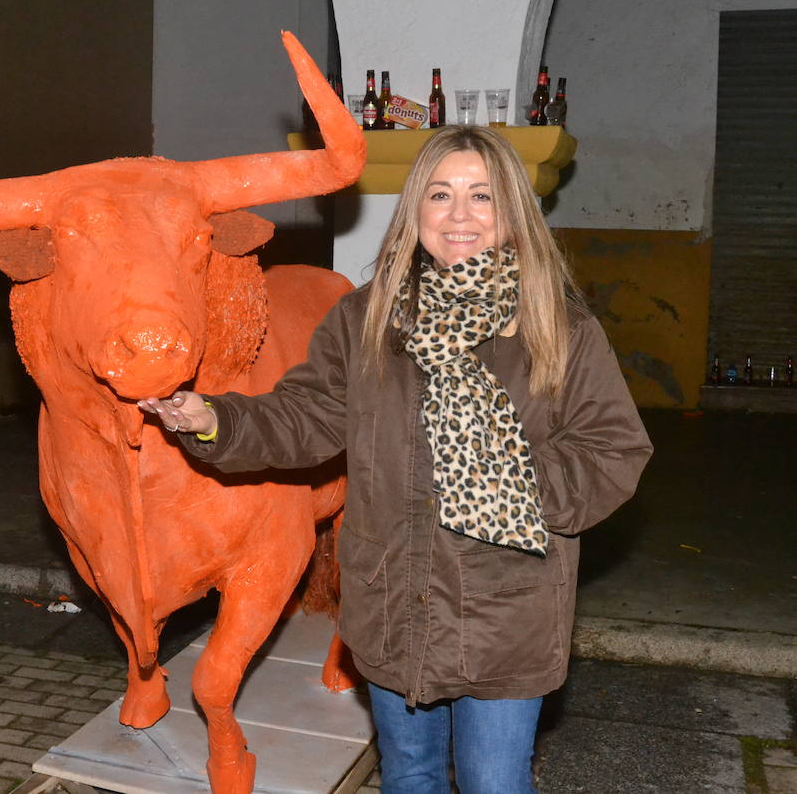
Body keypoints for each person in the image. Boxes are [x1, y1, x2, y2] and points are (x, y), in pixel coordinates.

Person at [139, 125, 651, 793]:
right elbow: (307, 416)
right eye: (441, 195)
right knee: (408, 777)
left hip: (506, 614)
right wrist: (213, 419)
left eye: (482, 197)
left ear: (514, 213)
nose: (460, 215)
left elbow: (614, 450)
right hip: (393, 602)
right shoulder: (367, 319)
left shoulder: (560, 327)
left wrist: (508, 482)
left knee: (494, 782)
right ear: (416, 210)